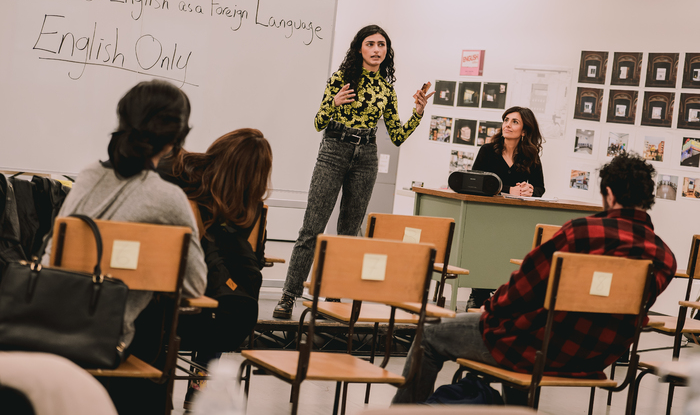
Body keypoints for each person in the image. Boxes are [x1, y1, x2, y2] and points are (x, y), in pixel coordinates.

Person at [392, 152, 676, 405]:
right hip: (593, 359)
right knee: (527, 334)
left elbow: (521, 289)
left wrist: (489, 309)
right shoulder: (664, 257)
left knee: (429, 334)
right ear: (646, 198)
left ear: (609, 194)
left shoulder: (582, 233)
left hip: (536, 350)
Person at [42, 79, 207, 414]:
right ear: (175, 139)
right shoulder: (169, 199)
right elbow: (194, 285)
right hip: (105, 342)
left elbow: (52, 258)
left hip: (46, 327)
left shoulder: (88, 175)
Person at [273, 25, 434, 319]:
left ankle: (332, 298)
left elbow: (396, 136)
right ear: (359, 48)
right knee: (312, 228)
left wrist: (419, 113)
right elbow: (318, 122)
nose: (376, 49)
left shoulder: (386, 88)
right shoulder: (340, 79)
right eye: (370, 44)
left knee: (347, 234)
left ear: (387, 52)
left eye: (381, 45)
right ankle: (288, 296)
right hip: (334, 151)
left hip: (367, 157)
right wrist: (333, 104)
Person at [159, 128, 272, 409]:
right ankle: (198, 390)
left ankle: (157, 386)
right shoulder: (248, 209)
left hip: (168, 313)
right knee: (221, 299)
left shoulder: (182, 174)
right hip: (223, 322)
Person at [468, 106, 545, 309]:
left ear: (525, 130)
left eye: (514, 122)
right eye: (506, 120)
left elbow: (540, 188)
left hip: (515, 217)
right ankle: (478, 293)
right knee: (485, 249)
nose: (507, 125)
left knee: (513, 249)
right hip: (487, 216)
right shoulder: (487, 151)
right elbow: (475, 182)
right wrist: (509, 189)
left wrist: (530, 190)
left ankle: (507, 295)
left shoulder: (531, 155)